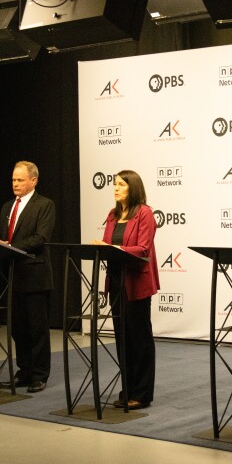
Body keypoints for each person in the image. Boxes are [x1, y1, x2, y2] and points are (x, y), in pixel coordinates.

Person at [92, 170, 160, 410]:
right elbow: (109, 245)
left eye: (121, 184)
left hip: (137, 283)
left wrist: (114, 248)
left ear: (133, 188)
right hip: (116, 282)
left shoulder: (145, 213)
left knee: (139, 339)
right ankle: (128, 388)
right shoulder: (112, 214)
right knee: (122, 338)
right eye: (115, 184)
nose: (116, 188)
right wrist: (103, 247)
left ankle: (142, 394)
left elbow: (142, 249)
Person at [0, 161, 55, 394]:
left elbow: (40, 238)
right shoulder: (8, 206)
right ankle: (24, 371)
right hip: (13, 275)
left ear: (33, 180)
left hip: (35, 275)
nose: (15, 184)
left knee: (37, 328)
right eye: (13, 180)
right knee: (18, 328)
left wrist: (10, 246)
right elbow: (1, 234)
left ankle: (39, 375)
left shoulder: (45, 205)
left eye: (20, 180)